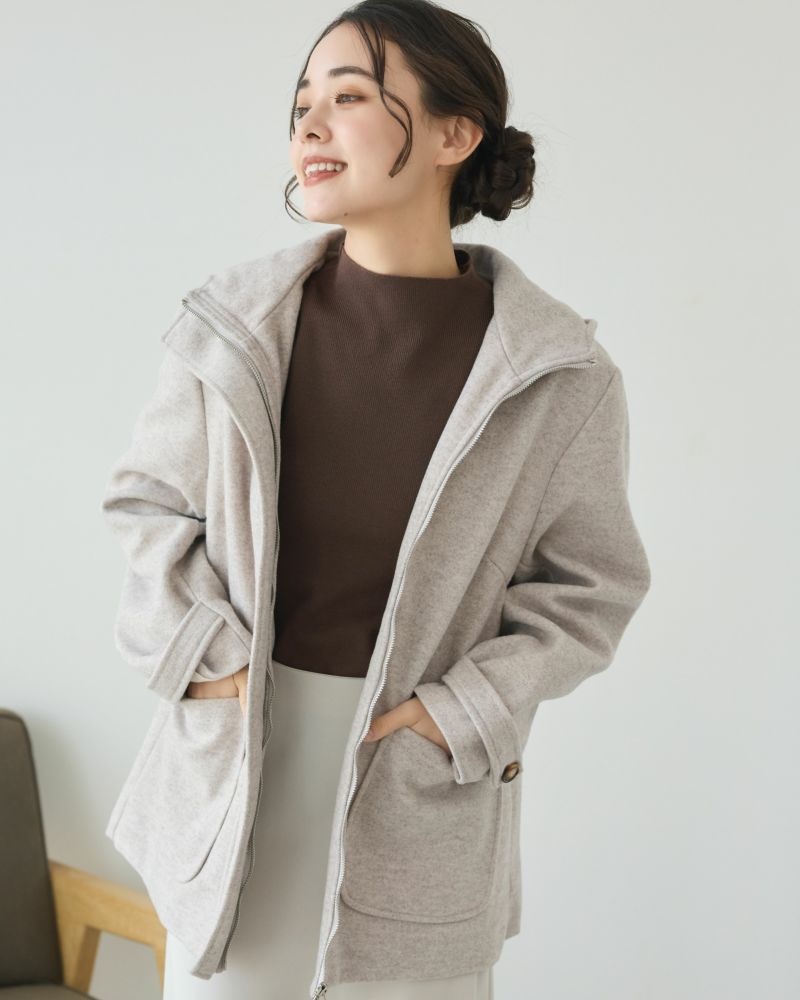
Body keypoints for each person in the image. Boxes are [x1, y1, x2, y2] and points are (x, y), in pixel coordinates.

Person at [102, 2, 650, 998]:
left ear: (454, 134)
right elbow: (148, 509)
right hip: (234, 771)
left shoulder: (556, 374)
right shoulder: (233, 327)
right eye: (301, 104)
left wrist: (458, 714)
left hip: (416, 796)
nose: (309, 126)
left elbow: (591, 587)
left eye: (348, 97)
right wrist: (211, 665)